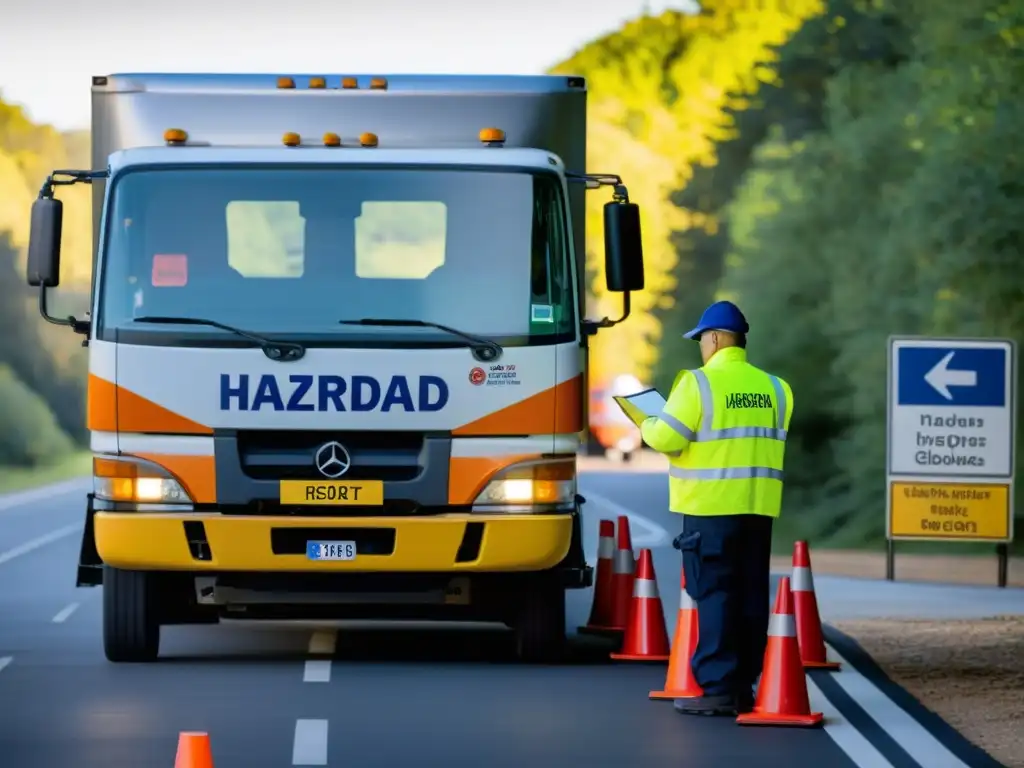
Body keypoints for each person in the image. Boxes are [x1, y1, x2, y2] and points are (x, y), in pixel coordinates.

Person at [639, 300, 793, 717]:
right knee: (749, 595)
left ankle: (719, 688)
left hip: (710, 510)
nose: (701, 348)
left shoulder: (697, 383)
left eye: (702, 340)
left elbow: (667, 438)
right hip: (758, 509)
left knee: (714, 594)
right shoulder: (777, 388)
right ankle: (744, 684)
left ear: (715, 338)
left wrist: (644, 421)